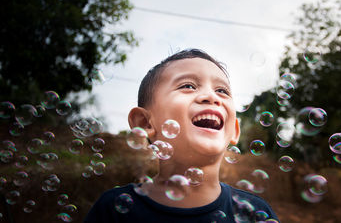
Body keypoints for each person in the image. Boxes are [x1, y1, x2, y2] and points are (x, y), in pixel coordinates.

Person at [85, 49, 279, 222]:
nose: (211, 97)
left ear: (234, 131)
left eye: (221, 90)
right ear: (145, 123)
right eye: (188, 86)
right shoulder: (113, 210)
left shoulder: (255, 214)